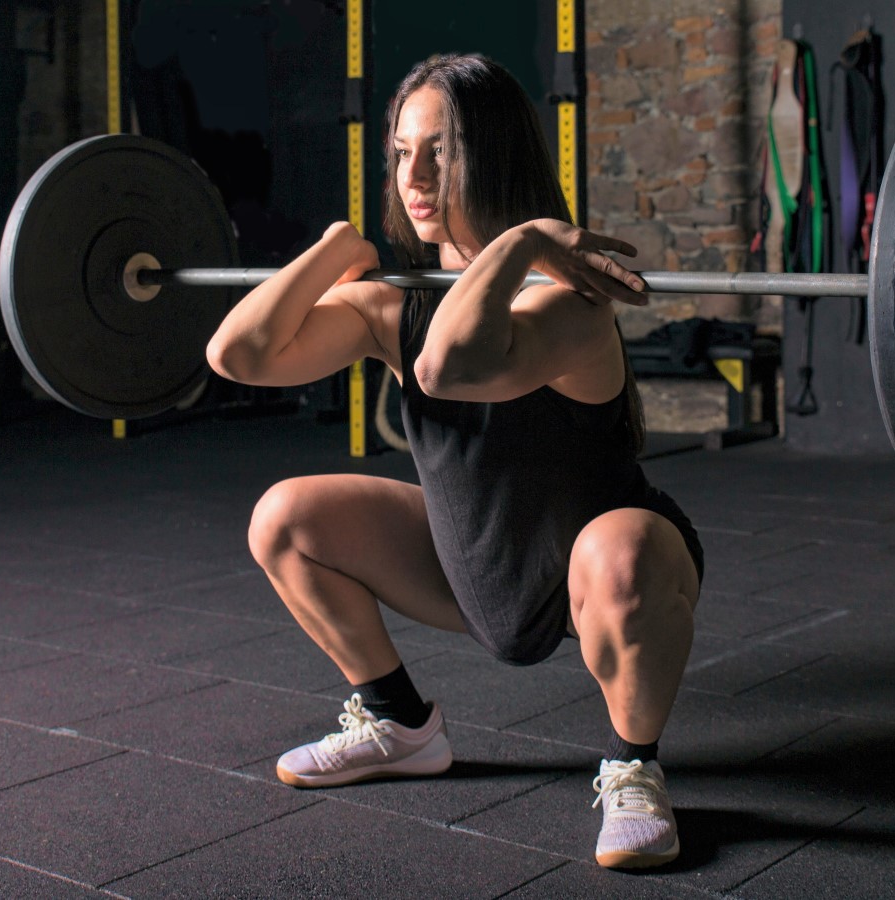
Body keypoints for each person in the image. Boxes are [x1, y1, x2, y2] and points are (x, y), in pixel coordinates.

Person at [206, 53, 703, 870]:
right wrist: (333, 253)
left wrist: (524, 242)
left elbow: (450, 367)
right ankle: (398, 723)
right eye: (403, 151)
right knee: (285, 519)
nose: (417, 174)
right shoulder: (394, 304)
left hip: (595, 581)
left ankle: (632, 765)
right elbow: (237, 354)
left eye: (443, 150)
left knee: (626, 553)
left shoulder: (571, 305)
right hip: (471, 561)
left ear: (497, 154)